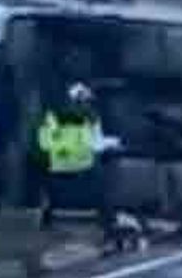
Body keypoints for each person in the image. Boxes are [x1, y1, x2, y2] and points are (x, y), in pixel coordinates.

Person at [36, 82, 120, 243]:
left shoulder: (56, 117)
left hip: (61, 172)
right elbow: (95, 145)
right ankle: (108, 221)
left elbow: (44, 143)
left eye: (87, 102)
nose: (86, 106)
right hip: (79, 172)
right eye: (83, 102)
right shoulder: (85, 118)